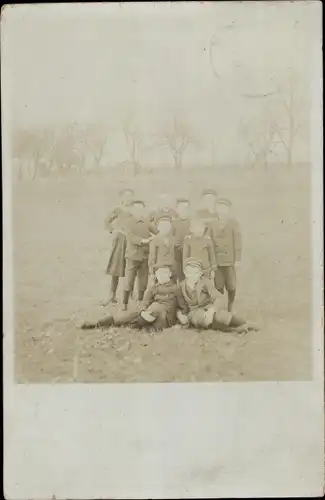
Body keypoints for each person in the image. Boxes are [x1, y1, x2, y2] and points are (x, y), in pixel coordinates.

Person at [81, 264, 179, 331]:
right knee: (131, 314)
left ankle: (137, 324)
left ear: (170, 274)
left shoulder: (176, 288)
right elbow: (145, 303)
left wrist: (180, 320)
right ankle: (98, 323)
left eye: (165, 273)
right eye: (159, 274)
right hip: (149, 314)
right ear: (156, 276)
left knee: (157, 308)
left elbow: (181, 306)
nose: (162, 276)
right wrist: (142, 311)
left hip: (164, 318)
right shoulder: (153, 288)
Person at [176, 258, 257, 334]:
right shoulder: (181, 287)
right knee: (202, 318)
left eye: (196, 273)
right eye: (189, 272)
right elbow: (180, 306)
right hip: (194, 312)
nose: (192, 276)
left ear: (200, 274)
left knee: (219, 316)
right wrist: (180, 315)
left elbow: (218, 297)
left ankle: (244, 324)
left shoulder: (205, 282)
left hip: (208, 307)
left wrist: (212, 310)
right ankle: (235, 329)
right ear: (184, 272)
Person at [122, 200, 158, 310]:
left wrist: (157, 236)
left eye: (141, 209)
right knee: (129, 280)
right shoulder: (128, 222)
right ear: (132, 210)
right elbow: (132, 237)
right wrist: (145, 241)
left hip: (144, 257)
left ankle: (140, 301)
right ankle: (125, 303)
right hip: (132, 256)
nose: (139, 211)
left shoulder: (147, 222)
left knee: (143, 281)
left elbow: (157, 232)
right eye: (136, 209)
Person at [210, 197, 242, 312]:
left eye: (225, 208)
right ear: (216, 209)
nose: (222, 211)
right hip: (217, 261)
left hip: (229, 260)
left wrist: (237, 259)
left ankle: (230, 305)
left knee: (231, 285)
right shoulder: (212, 224)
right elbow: (210, 242)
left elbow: (237, 241)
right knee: (218, 285)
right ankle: (220, 307)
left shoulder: (234, 224)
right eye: (220, 208)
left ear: (228, 210)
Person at [104, 188, 134, 304]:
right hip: (120, 240)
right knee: (116, 267)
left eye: (130, 196)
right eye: (126, 196)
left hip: (131, 240)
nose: (128, 198)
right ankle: (112, 294)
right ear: (121, 197)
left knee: (131, 267)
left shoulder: (134, 210)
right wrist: (113, 230)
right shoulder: (118, 209)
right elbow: (107, 221)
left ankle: (130, 294)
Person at [148, 215, 177, 282]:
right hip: (160, 269)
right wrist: (152, 273)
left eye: (167, 225)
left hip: (172, 269)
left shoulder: (173, 239)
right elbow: (152, 257)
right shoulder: (154, 240)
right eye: (163, 226)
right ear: (158, 227)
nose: (165, 228)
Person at [172, 198, 191, 281]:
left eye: (186, 208)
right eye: (181, 208)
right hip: (177, 252)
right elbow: (170, 237)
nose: (184, 210)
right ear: (177, 210)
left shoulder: (192, 222)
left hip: (190, 252)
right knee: (178, 275)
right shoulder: (173, 223)